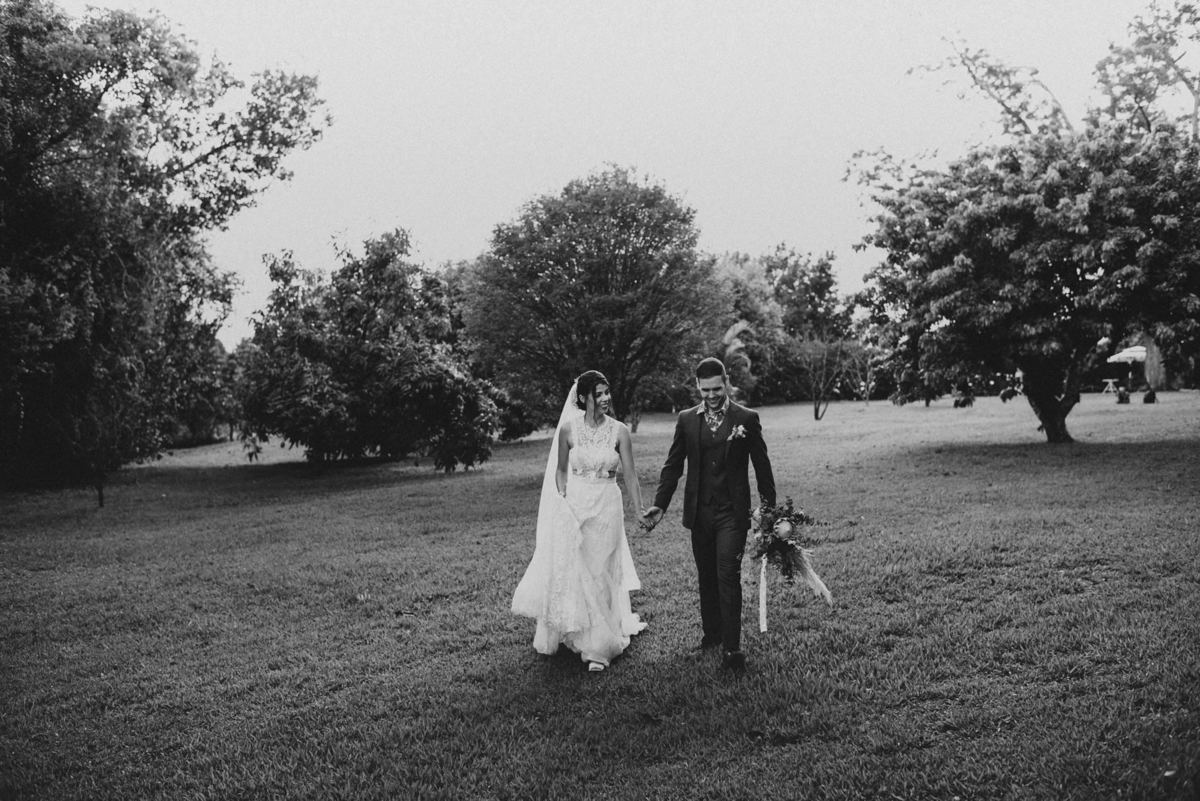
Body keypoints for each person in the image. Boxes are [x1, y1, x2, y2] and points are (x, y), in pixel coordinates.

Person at [642, 357, 776, 672]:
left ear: (726, 383)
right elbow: (673, 465)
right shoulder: (687, 420)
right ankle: (712, 637)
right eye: (706, 390)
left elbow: (762, 466)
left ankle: (732, 650)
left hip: (732, 512)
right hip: (700, 514)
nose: (712, 395)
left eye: (717, 388)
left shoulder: (747, 418)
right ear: (698, 387)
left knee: (727, 574)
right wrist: (661, 504)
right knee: (707, 577)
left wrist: (768, 508)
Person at [512, 370, 647, 672]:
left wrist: (640, 512)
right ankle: (588, 639)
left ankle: (600, 646)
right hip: (577, 506)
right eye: (598, 394)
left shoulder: (620, 431)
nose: (605, 399)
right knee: (580, 569)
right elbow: (561, 471)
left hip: (607, 507)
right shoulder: (568, 431)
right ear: (584, 397)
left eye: (607, 392)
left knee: (601, 571)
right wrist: (562, 497)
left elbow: (632, 476)